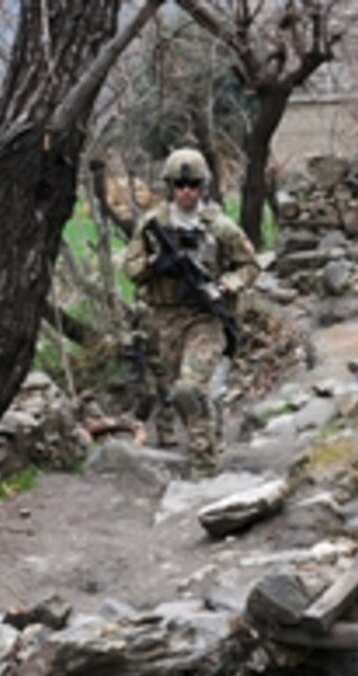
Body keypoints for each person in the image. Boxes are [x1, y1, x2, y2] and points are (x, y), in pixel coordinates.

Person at [124, 147, 259, 475]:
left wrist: (225, 286)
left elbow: (249, 266)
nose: (187, 191)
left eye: (194, 185)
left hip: (204, 317)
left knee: (189, 388)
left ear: (203, 186)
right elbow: (130, 267)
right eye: (181, 185)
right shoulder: (153, 224)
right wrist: (156, 264)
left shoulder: (219, 227)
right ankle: (207, 437)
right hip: (164, 320)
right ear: (170, 186)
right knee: (178, 394)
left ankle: (204, 463)